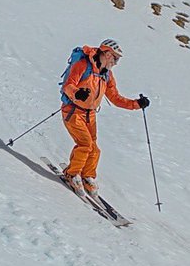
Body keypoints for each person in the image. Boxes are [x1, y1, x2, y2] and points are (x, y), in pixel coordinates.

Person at [59, 39, 149, 196]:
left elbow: (115, 98)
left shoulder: (107, 75)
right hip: (73, 110)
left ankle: (87, 176)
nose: (116, 63)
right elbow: (68, 85)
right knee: (85, 144)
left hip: (90, 114)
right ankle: (72, 174)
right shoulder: (83, 65)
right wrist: (77, 93)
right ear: (107, 54)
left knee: (94, 149)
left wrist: (136, 104)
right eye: (116, 58)